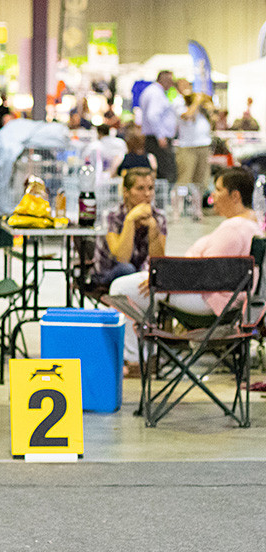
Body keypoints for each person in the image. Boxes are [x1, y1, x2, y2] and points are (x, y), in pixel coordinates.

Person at [110, 167, 263, 374]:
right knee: (138, 290)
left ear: (234, 196)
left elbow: (205, 272)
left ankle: (136, 359)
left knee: (121, 288)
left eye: (217, 190)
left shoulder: (234, 229)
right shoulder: (251, 225)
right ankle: (147, 354)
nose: (213, 197)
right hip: (208, 293)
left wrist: (166, 278)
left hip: (206, 298)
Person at [92, 168, 166, 287]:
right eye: (140, 188)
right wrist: (130, 220)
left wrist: (153, 228)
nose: (147, 194)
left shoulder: (159, 217)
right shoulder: (111, 215)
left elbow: (158, 262)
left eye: (151, 188)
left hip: (139, 274)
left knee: (157, 275)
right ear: (126, 192)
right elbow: (122, 258)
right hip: (108, 274)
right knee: (127, 269)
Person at [174, 91, 214, 221]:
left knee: (200, 181)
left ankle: (197, 210)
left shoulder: (203, 114)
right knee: (183, 180)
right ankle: (177, 210)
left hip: (203, 147)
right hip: (187, 148)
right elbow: (188, 116)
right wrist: (197, 101)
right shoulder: (182, 109)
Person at [138, 70, 178, 182]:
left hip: (154, 138)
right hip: (158, 140)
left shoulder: (151, 91)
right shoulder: (156, 93)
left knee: (160, 170)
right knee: (166, 173)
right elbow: (153, 115)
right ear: (166, 80)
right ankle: (163, 199)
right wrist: (160, 136)